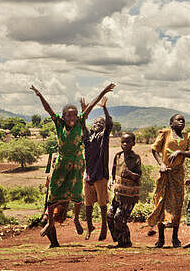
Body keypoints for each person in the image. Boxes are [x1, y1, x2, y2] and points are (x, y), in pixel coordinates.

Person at [30, 83, 115, 248]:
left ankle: (76, 219)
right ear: (63, 117)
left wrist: (103, 92)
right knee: (54, 192)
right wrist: (40, 96)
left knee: (76, 194)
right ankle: (51, 223)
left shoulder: (80, 122)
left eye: (74, 116)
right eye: (69, 116)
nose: (72, 119)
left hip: (76, 163)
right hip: (62, 163)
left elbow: (90, 106)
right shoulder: (59, 124)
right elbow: (48, 110)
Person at [146, 114, 190, 248]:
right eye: (178, 120)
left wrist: (180, 152)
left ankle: (175, 237)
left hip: (178, 174)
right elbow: (154, 149)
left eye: (183, 120)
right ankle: (161, 238)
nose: (181, 122)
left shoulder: (188, 137)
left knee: (177, 204)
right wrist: (161, 164)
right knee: (161, 202)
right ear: (171, 123)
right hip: (165, 174)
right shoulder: (165, 134)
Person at [81, 96, 113, 241]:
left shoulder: (103, 137)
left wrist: (104, 108)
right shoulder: (88, 138)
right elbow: (82, 125)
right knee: (88, 203)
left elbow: (109, 124)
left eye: (101, 123)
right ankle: (89, 226)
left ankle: (104, 227)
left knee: (102, 204)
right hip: (88, 175)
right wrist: (84, 112)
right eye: (96, 122)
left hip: (100, 175)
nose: (98, 124)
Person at [108, 132, 142, 248]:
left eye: (127, 142)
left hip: (129, 195)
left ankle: (126, 241)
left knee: (119, 218)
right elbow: (113, 170)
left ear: (133, 143)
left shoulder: (136, 158)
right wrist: (111, 180)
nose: (124, 144)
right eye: (123, 142)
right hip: (118, 194)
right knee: (109, 215)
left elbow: (138, 176)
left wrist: (129, 174)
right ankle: (119, 240)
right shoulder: (118, 156)